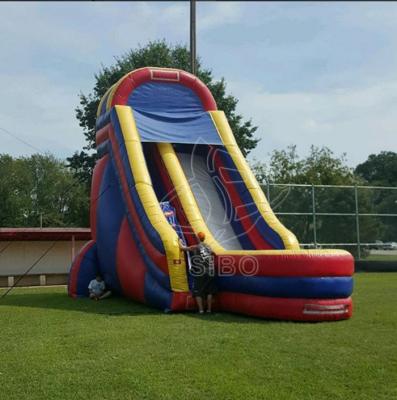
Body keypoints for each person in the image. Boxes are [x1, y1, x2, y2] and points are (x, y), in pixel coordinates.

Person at [179, 231, 217, 314]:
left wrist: (179, 241)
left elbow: (183, 248)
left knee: (198, 292)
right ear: (204, 238)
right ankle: (209, 310)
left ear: (197, 238)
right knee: (209, 291)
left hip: (201, 272)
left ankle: (201, 310)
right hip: (210, 271)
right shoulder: (209, 247)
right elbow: (214, 254)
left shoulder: (196, 247)